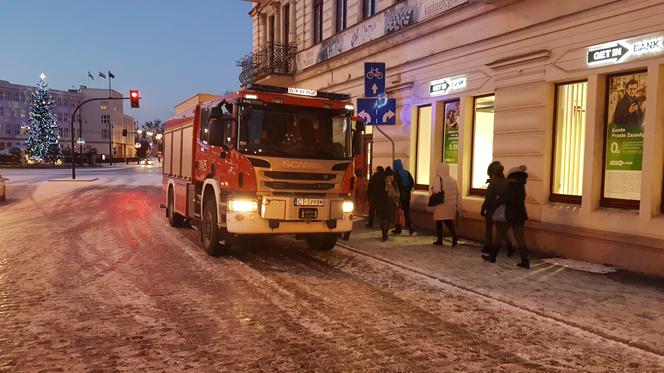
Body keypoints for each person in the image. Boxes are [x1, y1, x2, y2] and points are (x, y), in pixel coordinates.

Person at [482, 165, 530, 268]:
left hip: (509, 213)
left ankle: (493, 256)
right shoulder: (521, 185)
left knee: (499, 234)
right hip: (520, 214)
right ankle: (525, 260)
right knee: (520, 237)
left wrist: (497, 202)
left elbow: (505, 198)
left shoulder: (511, 184)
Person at [480, 161, 514, 255]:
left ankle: (488, 246)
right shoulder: (506, 181)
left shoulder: (493, 182)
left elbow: (488, 197)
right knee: (501, 229)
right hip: (503, 209)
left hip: (492, 208)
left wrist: (483, 208)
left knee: (489, 228)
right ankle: (509, 245)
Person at [430, 163, 459, 246]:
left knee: (439, 222)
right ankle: (454, 237)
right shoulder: (453, 180)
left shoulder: (439, 179)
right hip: (451, 205)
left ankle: (439, 240)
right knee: (448, 221)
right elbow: (457, 193)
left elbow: (436, 190)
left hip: (441, 204)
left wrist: (432, 189)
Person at [373, 167, 399, 241]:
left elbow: (376, 191)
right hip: (390, 202)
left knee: (383, 219)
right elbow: (397, 193)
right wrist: (397, 202)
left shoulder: (381, 181)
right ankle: (385, 233)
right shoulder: (394, 182)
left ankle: (384, 234)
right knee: (388, 219)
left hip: (382, 202)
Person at [391, 159, 415, 235]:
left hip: (399, 196)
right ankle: (410, 226)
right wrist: (407, 190)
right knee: (406, 212)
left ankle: (398, 228)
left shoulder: (396, 174)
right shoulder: (407, 173)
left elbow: (394, 186)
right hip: (407, 196)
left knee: (398, 212)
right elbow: (412, 183)